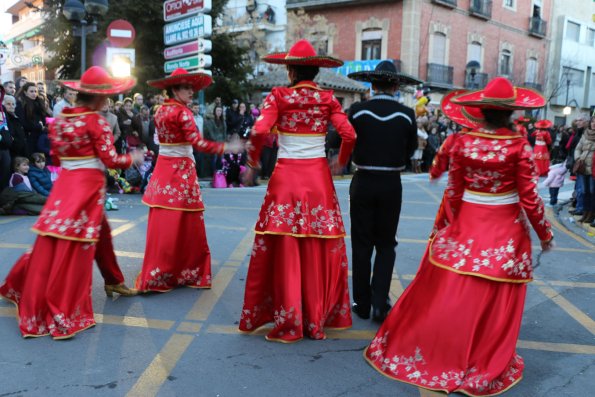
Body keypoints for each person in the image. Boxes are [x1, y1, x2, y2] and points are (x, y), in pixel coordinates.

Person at [363, 77, 554, 396]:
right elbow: (530, 198)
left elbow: (453, 191)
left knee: (453, 293)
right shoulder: (518, 146)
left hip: (466, 225)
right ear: (510, 113)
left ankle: (441, 350)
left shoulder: (463, 142)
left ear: (480, 110)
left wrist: (444, 227)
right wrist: (545, 234)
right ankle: (481, 356)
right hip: (505, 230)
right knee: (492, 297)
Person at [0, 66, 143, 339]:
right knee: (77, 246)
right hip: (87, 186)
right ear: (99, 98)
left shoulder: (62, 119)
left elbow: (55, 155)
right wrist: (133, 159)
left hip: (66, 184)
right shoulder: (96, 121)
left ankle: (114, 281)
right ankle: (66, 307)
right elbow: (111, 160)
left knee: (80, 236)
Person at [238, 39, 356, 342]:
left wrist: (253, 162)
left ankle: (288, 317)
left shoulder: (278, 96)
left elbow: (259, 131)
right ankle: (315, 318)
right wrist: (339, 163)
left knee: (286, 244)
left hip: (286, 178)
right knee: (317, 244)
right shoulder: (329, 99)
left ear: (290, 70)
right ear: (315, 71)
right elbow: (349, 134)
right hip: (317, 178)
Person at [135, 68, 242, 293]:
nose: (191, 91)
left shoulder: (160, 111)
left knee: (164, 223)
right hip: (181, 172)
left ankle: (158, 272)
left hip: (163, 170)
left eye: (191, 87)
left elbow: (161, 141)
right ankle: (187, 270)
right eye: (186, 87)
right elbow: (198, 144)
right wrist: (226, 147)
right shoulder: (183, 113)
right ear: (174, 89)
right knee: (187, 224)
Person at [345, 60, 420, 322]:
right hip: (391, 183)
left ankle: (362, 304)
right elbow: (411, 150)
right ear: (396, 85)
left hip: (363, 180)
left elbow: (341, 139)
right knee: (386, 244)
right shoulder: (406, 115)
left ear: (372, 83)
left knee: (362, 243)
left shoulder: (357, 111)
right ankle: (379, 302)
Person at [573, 115, 595, 224]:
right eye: (592, 122)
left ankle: (591, 214)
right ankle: (585, 213)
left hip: (593, 168)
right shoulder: (585, 134)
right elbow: (577, 148)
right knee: (585, 191)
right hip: (582, 167)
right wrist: (578, 158)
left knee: (592, 192)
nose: (593, 124)